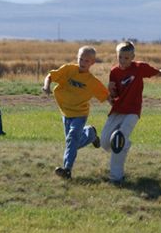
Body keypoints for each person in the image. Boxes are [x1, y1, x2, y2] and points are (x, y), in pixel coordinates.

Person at [101, 41, 161, 183]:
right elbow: (113, 96)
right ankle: (126, 145)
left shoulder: (140, 68)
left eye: (126, 58)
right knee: (105, 143)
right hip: (117, 110)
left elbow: (157, 73)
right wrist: (110, 91)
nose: (123, 61)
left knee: (118, 140)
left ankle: (116, 177)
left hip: (132, 112)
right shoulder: (114, 72)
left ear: (133, 56)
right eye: (120, 57)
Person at [42, 46, 110, 179]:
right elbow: (50, 76)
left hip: (80, 114)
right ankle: (90, 134)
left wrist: (117, 109)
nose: (83, 63)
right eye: (81, 59)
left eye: (86, 61)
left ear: (92, 63)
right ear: (77, 58)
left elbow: (106, 96)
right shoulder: (68, 70)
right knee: (72, 142)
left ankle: (67, 170)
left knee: (72, 139)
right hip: (65, 113)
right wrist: (46, 86)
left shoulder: (92, 81)